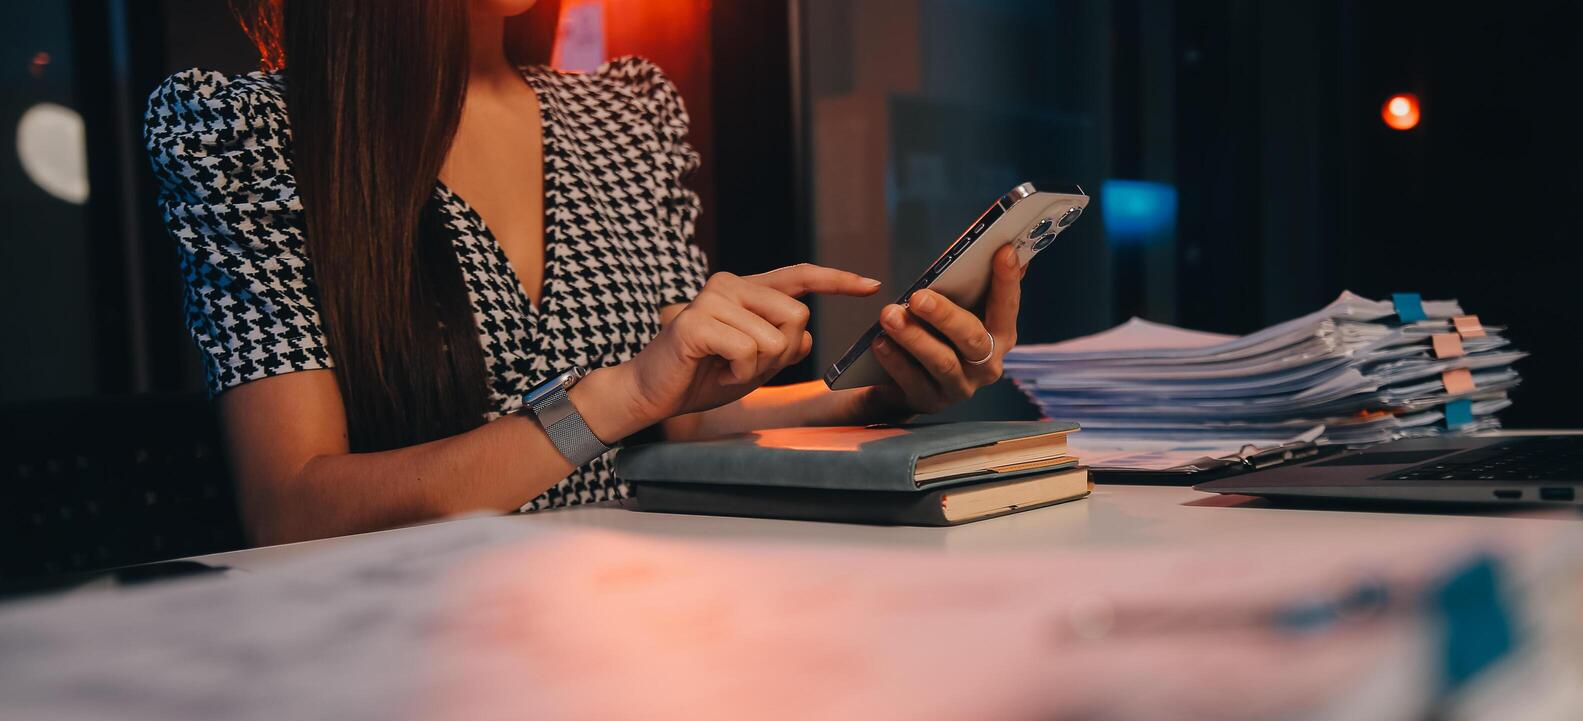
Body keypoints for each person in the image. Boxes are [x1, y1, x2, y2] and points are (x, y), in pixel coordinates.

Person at [145, 0, 1026, 546]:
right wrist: (613, 397)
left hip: (633, 608)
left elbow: (678, 415)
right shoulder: (248, 136)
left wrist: (883, 389)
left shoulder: (624, 114)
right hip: (408, 649)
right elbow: (292, 508)